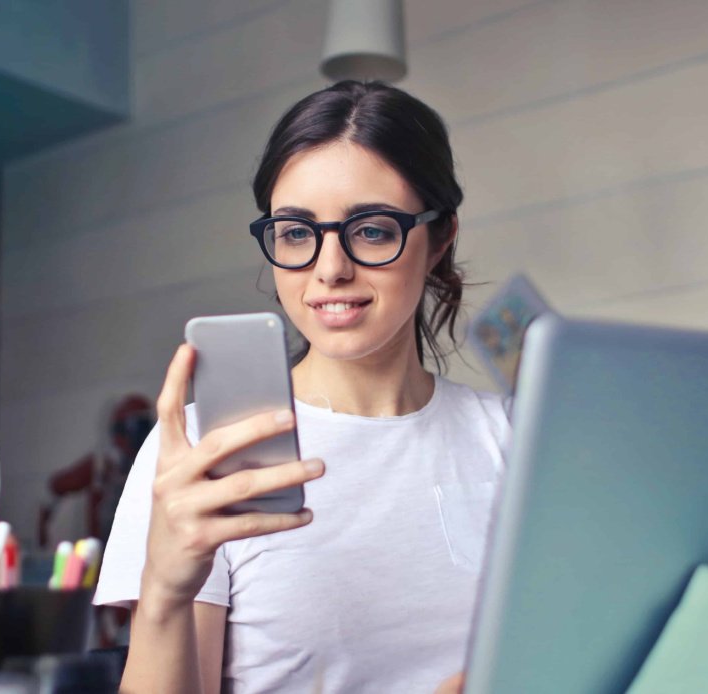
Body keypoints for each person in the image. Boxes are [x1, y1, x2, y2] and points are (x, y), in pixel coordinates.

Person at [95, 80, 511, 693]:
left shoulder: (514, 437)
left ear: (440, 237)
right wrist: (163, 590)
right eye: (295, 233)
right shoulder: (202, 448)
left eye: (371, 230)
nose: (330, 268)